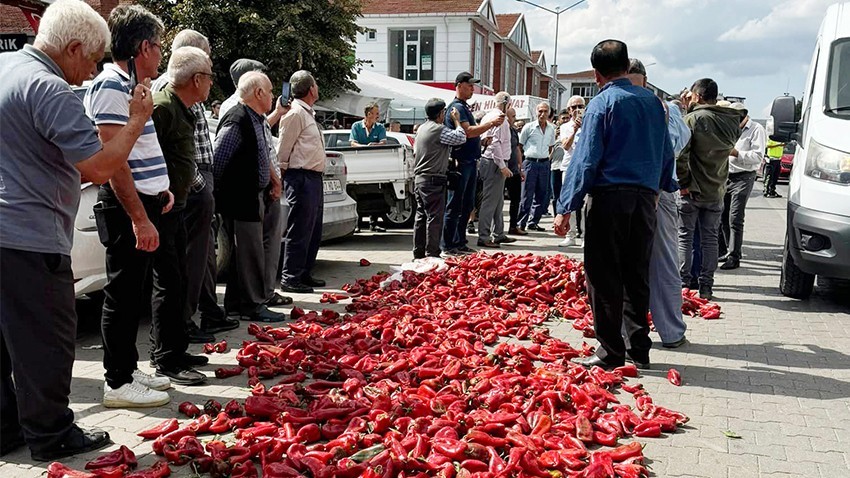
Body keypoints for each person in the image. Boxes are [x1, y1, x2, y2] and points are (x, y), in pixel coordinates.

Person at [0, 0, 155, 459]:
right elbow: (102, 166)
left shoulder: (5, 68)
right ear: (70, 48)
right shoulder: (49, 89)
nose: (91, 72)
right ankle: (52, 434)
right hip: (31, 234)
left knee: (4, 340)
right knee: (46, 338)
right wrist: (136, 121)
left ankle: (7, 429)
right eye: (90, 59)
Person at [84, 5, 197, 403]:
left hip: (149, 202)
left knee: (136, 292)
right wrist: (138, 217)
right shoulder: (110, 86)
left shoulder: (133, 86)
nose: (161, 56)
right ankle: (117, 381)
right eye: (159, 47)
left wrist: (161, 187)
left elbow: (142, 150)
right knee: (123, 293)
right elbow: (114, 161)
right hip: (125, 207)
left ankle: (129, 370)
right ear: (143, 47)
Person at [555, 40, 677, 371]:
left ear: (596, 74)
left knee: (605, 276)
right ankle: (639, 348)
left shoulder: (602, 104)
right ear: (627, 67)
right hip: (644, 201)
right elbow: (666, 153)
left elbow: (586, 160)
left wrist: (567, 205)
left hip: (609, 199)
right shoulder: (654, 103)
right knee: (637, 274)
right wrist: (664, 185)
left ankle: (611, 350)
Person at [150, 29, 238, 343]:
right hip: (187, 182)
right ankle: (181, 325)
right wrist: (198, 185)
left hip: (196, 178)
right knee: (183, 260)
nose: (212, 71)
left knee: (201, 255)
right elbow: (167, 149)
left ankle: (203, 314)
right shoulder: (167, 93)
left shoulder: (190, 93)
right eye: (207, 62)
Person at [149, 45, 223, 389]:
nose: (211, 83)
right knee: (168, 283)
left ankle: (175, 348)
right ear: (196, 79)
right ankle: (166, 357)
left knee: (177, 280)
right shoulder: (163, 106)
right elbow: (150, 156)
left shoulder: (180, 106)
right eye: (209, 76)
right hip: (162, 207)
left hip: (178, 204)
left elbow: (182, 158)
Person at [213, 71, 287, 323]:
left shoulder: (256, 119)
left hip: (253, 196)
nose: (273, 96)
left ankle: (236, 304)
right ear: (258, 93)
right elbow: (219, 158)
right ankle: (252, 305)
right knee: (249, 253)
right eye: (270, 91)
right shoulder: (237, 118)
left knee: (244, 255)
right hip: (239, 198)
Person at [627, 58, 691, 348]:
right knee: (650, 261)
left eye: (631, 78)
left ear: (643, 78)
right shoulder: (663, 108)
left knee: (658, 260)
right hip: (651, 189)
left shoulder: (660, 108)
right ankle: (660, 331)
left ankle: (667, 330)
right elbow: (679, 142)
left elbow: (674, 143)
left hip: (655, 189)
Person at [677, 79, 746, 300]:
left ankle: (683, 284)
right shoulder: (731, 122)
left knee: (685, 238)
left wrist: (684, 183)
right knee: (710, 239)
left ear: (696, 96)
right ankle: (707, 286)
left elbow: (681, 155)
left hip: (692, 189)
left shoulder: (693, 119)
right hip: (716, 189)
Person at [442, 72, 504, 256]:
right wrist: (490, 123)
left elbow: (470, 134)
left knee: (467, 205)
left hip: (469, 161)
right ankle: (448, 244)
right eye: (469, 85)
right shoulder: (457, 108)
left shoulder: (464, 107)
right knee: (455, 205)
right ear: (459, 85)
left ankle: (459, 242)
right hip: (460, 163)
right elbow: (468, 132)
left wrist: (482, 142)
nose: (472, 88)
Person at [278, 70, 327, 293]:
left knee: (313, 229)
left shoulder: (308, 113)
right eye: (316, 84)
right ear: (310, 89)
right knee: (299, 229)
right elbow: (283, 150)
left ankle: (304, 272)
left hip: (313, 177)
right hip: (300, 177)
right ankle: (291, 277)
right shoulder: (295, 113)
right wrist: (281, 178)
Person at [412, 99, 467, 259]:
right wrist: (457, 120)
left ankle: (418, 254)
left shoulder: (422, 128)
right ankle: (432, 254)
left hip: (420, 178)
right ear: (441, 114)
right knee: (434, 218)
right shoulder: (438, 129)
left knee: (421, 217)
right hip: (433, 179)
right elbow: (460, 137)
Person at [719, 102, 765, 270]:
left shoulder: (756, 129)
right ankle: (726, 250)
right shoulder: (731, 127)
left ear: (744, 117)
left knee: (735, 217)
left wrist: (736, 153)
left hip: (744, 176)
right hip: (726, 175)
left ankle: (734, 257)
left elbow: (758, 156)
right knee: (723, 215)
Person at [475, 92, 515, 248]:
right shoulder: (501, 119)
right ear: (507, 103)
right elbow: (495, 144)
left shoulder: (489, 116)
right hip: (494, 162)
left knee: (497, 201)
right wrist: (502, 166)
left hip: (491, 161)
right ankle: (484, 236)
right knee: (490, 201)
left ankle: (498, 233)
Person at [518, 102, 556, 232]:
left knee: (542, 194)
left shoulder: (551, 128)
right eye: (540, 111)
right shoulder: (529, 127)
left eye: (545, 111)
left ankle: (533, 221)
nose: (542, 114)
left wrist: (547, 159)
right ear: (536, 112)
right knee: (526, 194)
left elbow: (551, 146)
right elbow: (519, 146)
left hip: (544, 163)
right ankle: (521, 223)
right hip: (530, 162)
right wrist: (521, 165)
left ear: (549, 113)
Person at [350, 102, 388, 232]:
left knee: (376, 194)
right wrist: (364, 147)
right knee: (357, 195)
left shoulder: (380, 127)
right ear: (369, 114)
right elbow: (353, 143)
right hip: (358, 167)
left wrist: (375, 145)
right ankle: (358, 224)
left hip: (375, 166)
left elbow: (383, 141)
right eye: (376, 113)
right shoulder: (356, 126)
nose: (378, 116)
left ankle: (374, 223)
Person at [557, 96, 586, 247]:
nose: (576, 110)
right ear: (569, 110)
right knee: (570, 203)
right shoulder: (565, 127)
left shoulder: (590, 123)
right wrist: (574, 130)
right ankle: (571, 235)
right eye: (573, 107)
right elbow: (566, 146)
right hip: (569, 168)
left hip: (586, 168)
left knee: (586, 205)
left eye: (580, 106)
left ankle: (585, 236)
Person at [505, 107, 525, 236]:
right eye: (512, 116)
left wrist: (520, 167)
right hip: (502, 170)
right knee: (497, 202)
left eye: (514, 116)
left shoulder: (513, 131)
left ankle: (513, 226)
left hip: (514, 170)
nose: (514, 119)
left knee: (516, 200)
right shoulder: (501, 129)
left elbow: (517, 149)